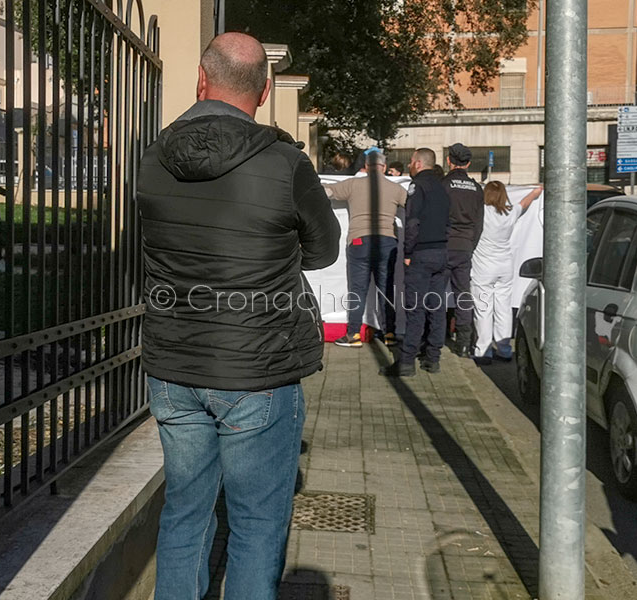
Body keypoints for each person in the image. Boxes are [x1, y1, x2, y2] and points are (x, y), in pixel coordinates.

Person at [136, 32, 340, 600]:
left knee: (185, 513)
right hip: (258, 369)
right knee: (256, 525)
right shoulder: (285, 163)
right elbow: (324, 249)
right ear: (266, 90)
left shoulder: (152, 158)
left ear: (201, 80)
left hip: (174, 367)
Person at [323, 151, 406, 347]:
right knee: (386, 289)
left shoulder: (353, 184)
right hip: (387, 242)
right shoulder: (396, 188)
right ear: (384, 168)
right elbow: (413, 205)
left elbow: (327, 192)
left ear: (366, 167)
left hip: (359, 241)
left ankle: (353, 334)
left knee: (357, 290)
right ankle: (390, 333)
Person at [381, 148, 450, 377]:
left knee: (415, 309)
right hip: (441, 252)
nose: (409, 165)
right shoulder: (442, 187)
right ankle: (433, 358)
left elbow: (412, 222)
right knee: (436, 307)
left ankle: (407, 362)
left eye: (411, 162)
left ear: (419, 164)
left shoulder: (417, 186)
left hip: (421, 254)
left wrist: (408, 252)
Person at [470, 181, 542, 365]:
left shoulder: (480, 213)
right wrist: (536, 191)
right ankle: (504, 349)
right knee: (503, 308)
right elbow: (525, 203)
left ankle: (483, 350)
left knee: (483, 309)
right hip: (505, 267)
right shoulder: (509, 212)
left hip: (483, 268)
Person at [442, 143, 484, 358]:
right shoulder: (476, 189)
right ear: (468, 164)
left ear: (449, 161)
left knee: (435, 292)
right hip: (465, 246)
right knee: (463, 295)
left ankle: (435, 337)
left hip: (444, 244)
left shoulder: (443, 185)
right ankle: (464, 344)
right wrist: (470, 244)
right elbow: (479, 223)